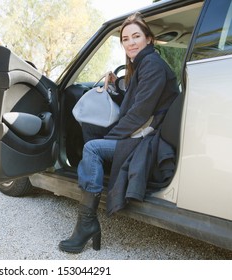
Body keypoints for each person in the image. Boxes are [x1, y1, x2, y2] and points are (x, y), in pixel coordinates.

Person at [59, 12, 180, 254]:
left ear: (149, 39)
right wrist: (116, 85)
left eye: (136, 36)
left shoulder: (153, 66)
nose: (131, 42)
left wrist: (110, 138)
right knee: (91, 127)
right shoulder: (143, 65)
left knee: (92, 148)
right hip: (142, 133)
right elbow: (136, 104)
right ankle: (96, 180)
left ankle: (87, 224)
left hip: (148, 141)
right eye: (126, 39)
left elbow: (138, 115)